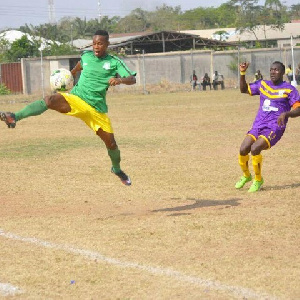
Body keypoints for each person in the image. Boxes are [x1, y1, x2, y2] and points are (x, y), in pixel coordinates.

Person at [0, 30, 136, 186]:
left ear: (107, 44)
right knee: (50, 100)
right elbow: (80, 65)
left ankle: (117, 169)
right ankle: (14, 117)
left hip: (96, 109)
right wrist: (69, 75)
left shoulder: (114, 62)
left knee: (111, 144)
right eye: (94, 43)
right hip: (76, 99)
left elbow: (132, 79)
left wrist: (120, 80)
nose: (96, 47)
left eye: (100, 43)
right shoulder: (86, 56)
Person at [235, 61, 300, 192]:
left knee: (255, 148)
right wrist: (242, 72)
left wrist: (286, 114)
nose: (273, 72)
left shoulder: (289, 89)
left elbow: (298, 109)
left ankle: (258, 180)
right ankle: (247, 176)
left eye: (276, 70)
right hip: (258, 124)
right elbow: (244, 89)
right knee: (243, 149)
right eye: (271, 70)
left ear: (282, 72)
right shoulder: (263, 84)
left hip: (275, 127)